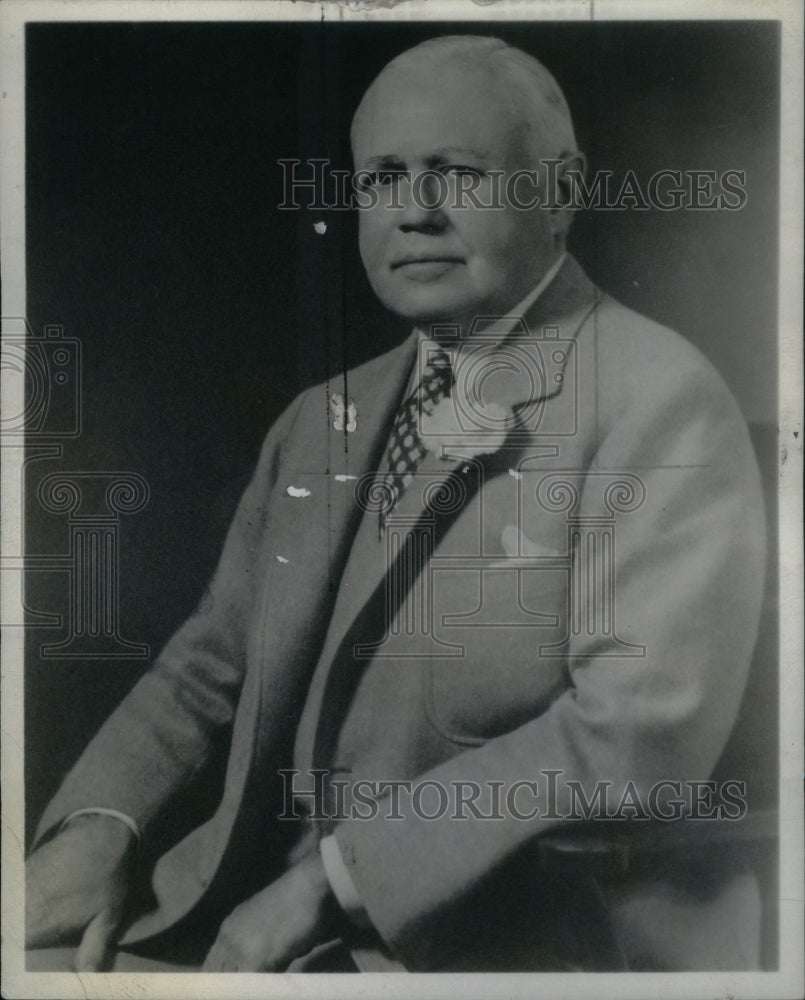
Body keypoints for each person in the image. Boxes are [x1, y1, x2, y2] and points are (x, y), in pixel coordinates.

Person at [25, 35, 766, 973]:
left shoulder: (658, 398)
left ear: (562, 191)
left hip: (508, 941)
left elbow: (631, 741)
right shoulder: (322, 416)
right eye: (381, 178)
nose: (412, 213)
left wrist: (328, 882)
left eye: (456, 174)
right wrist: (100, 823)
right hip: (239, 907)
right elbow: (209, 662)